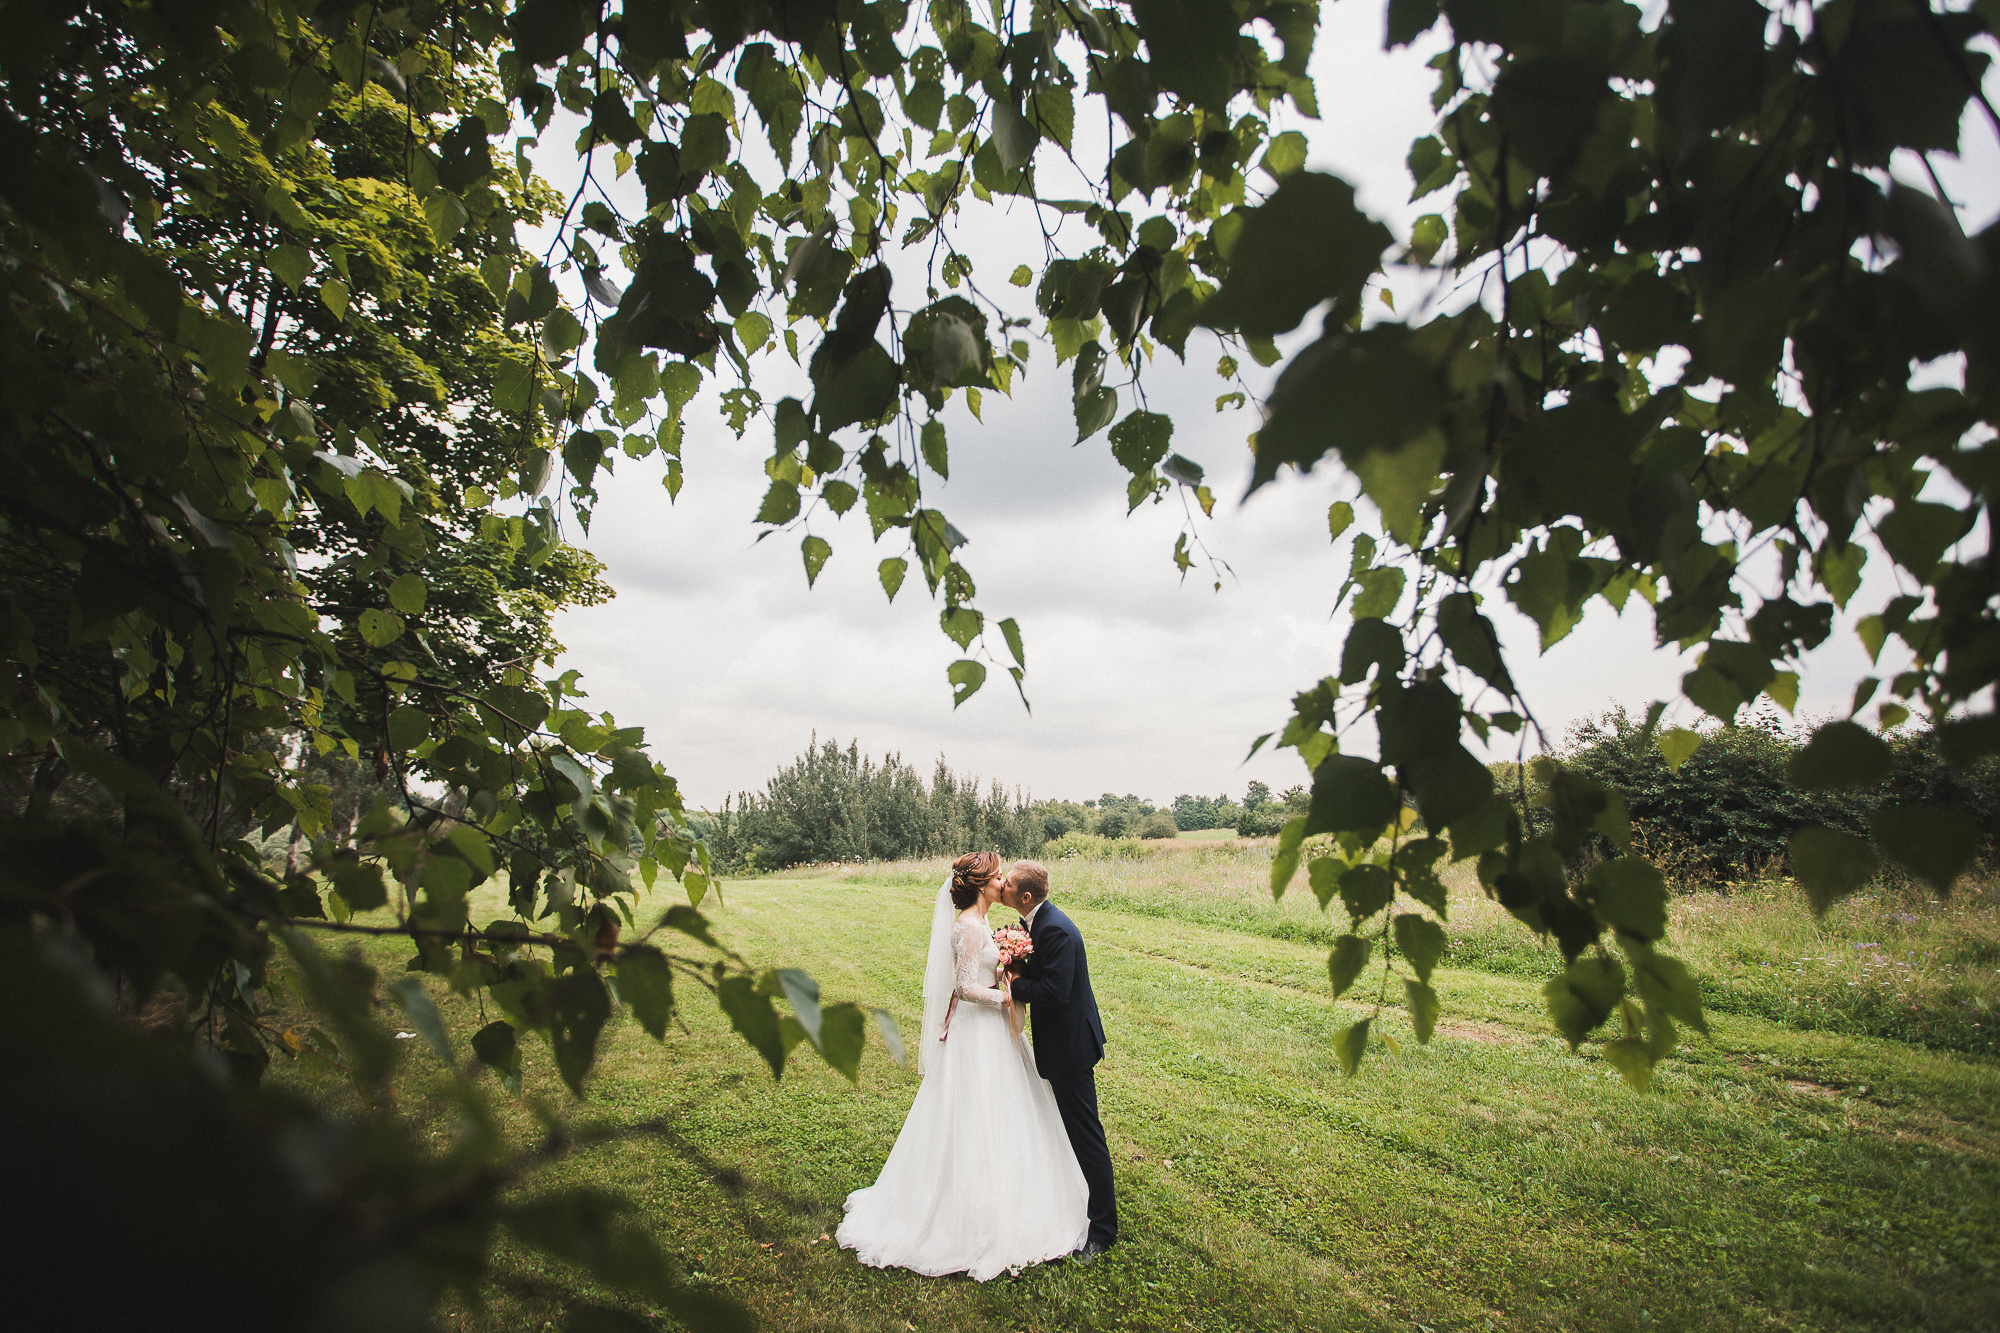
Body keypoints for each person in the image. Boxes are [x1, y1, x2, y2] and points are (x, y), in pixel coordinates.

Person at [836, 851, 1089, 1280]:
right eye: (996, 877)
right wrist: (1007, 996)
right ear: (981, 885)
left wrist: (1011, 973)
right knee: (974, 1113)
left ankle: (1010, 1196)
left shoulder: (985, 922)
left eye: (1004, 879)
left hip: (995, 1032)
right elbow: (967, 987)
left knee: (1007, 1114)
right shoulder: (969, 927)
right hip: (979, 1030)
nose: (1002, 883)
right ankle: (964, 1212)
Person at [1000, 859, 1117, 1256]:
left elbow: (1055, 991)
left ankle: (1103, 1230)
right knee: (1066, 1130)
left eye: (1009, 883)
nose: (1002, 885)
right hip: (1060, 1042)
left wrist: (1014, 981)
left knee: (1086, 1136)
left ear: (1025, 896)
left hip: (1071, 1048)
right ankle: (1070, 1198)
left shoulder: (1056, 931)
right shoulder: (1037, 923)